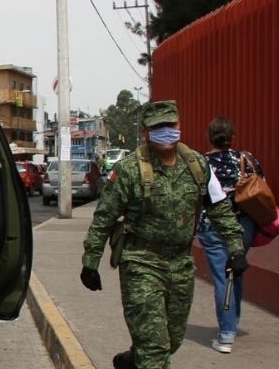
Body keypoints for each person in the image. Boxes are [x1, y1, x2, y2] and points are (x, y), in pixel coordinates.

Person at [80, 100, 248, 369]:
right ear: (146, 132)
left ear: (179, 125)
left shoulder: (197, 166)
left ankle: (131, 362)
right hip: (141, 263)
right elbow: (105, 217)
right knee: (155, 350)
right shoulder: (129, 170)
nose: (166, 131)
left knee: (171, 341)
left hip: (181, 265)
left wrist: (236, 248)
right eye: (158, 127)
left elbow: (219, 208)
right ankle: (143, 359)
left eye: (171, 125)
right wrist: (91, 261)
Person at [199, 117, 261, 353]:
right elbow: (261, 186)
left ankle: (226, 335)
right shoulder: (246, 159)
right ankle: (231, 324)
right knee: (235, 272)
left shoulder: (202, 163)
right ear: (232, 136)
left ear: (209, 136)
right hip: (244, 225)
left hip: (212, 227)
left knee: (222, 278)